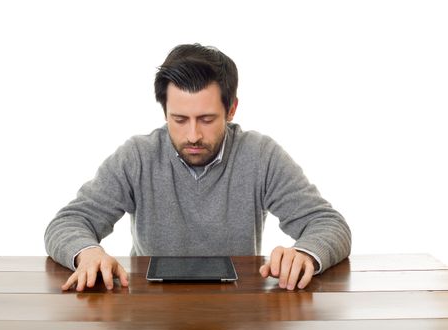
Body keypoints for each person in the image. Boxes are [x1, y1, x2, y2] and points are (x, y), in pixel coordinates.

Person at [45, 43, 351, 292]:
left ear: (231, 109)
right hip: (152, 312)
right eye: (179, 120)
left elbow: (329, 224)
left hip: (237, 311)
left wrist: (305, 253)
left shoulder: (261, 155)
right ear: (164, 111)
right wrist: (87, 252)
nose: (193, 135)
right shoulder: (137, 157)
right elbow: (68, 222)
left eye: (206, 119)